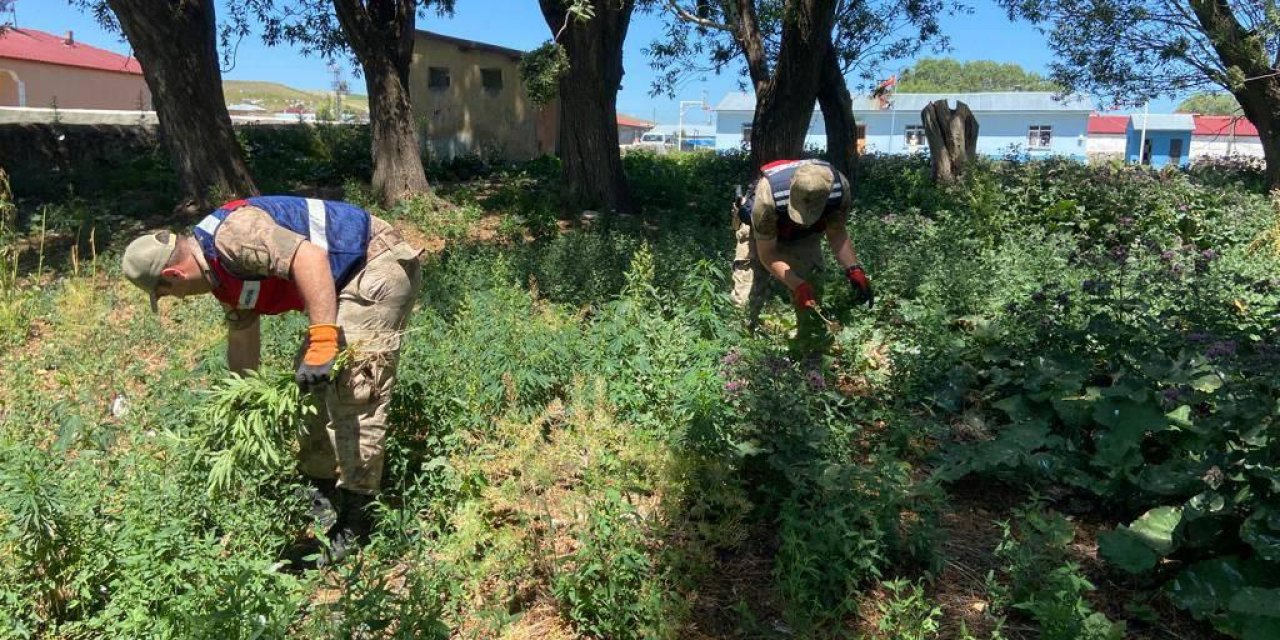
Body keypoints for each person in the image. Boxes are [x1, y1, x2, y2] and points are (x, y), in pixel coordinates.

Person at [121, 196, 422, 563]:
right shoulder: (218, 273)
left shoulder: (234, 237)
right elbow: (243, 337)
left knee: (353, 388)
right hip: (342, 279)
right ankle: (321, 491)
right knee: (309, 386)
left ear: (173, 276)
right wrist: (240, 398)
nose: (178, 300)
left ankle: (359, 517)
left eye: (168, 295)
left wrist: (324, 340)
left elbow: (309, 258)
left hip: (374, 263)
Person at [731, 159, 873, 351]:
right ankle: (740, 356)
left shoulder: (840, 191)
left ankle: (808, 352)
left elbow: (836, 232)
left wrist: (854, 269)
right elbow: (767, 254)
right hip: (760, 234)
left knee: (812, 298)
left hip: (806, 237)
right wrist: (797, 284)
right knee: (745, 299)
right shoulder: (768, 196)